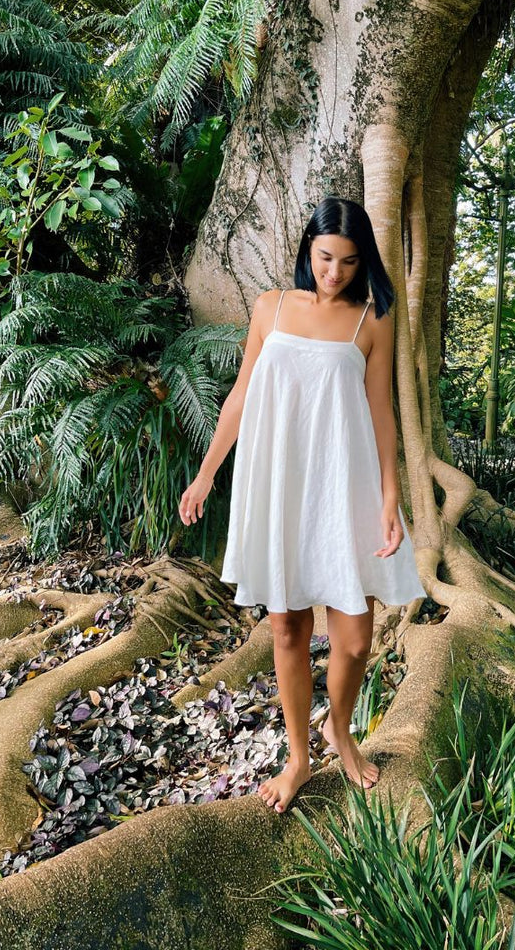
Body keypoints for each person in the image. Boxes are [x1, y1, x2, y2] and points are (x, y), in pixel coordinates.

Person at [178, 196, 426, 814]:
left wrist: (392, 497)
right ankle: (298, 757)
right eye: (324, 258)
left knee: (355, 638)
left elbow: (381, 414)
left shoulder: (370, 320)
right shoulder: (270, 308)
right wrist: (206, 474)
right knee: (287, 626)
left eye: (347, 261)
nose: (334, 272)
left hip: (346, 486)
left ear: (362, 259)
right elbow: (240, 395)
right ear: (307, 251)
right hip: (281, 483)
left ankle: (337, 728)